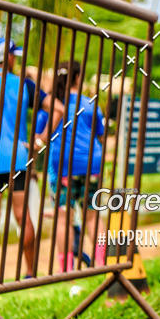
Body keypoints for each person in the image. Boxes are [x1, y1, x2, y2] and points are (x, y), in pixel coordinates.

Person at [0, 38, 58, 285]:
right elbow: (58, 109)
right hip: (17, 158)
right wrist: (41, 139)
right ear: (8, 58)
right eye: (15, 55)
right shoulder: (24, 84)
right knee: (22, 216)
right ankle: (30, 273)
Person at [48, 61, 106, 272]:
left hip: (63, 166)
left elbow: (42, 134)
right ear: (78, 77)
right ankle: (101, 265)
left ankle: (67, 271)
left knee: (63, 218)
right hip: (92, 164)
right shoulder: (90, 103)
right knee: (93, 215)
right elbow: (100, 133)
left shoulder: (52, 104)